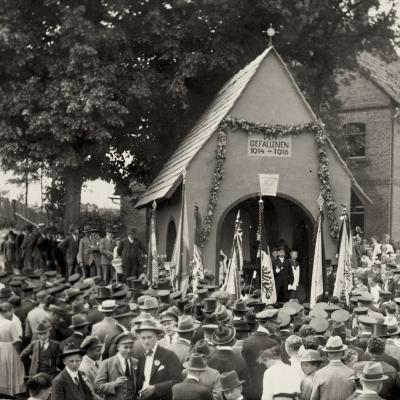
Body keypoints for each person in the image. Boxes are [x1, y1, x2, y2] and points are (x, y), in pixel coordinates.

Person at [135, 319, 182, 400]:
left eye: (149, 337)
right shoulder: (141, 357)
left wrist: (155, 388)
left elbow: (178, 380)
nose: (146, 341)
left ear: (156, 337)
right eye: (143, 338)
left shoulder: (169, 355)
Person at [94, 332, 137, 400]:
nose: (129, 350)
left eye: (131, 347)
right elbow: (97, 387)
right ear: (118, 347)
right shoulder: (107, 363)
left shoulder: (135, 362)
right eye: (125, 347)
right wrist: (114, 384)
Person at [0, 302, 25, 397]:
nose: (11, 314)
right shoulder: (10, 323)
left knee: (2, 369)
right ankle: (12, 390)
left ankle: (3, 389)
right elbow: (16, 340)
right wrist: (19, 353)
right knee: (13, 368)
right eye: (11, 312)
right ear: (6, 312)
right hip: (10, 348)